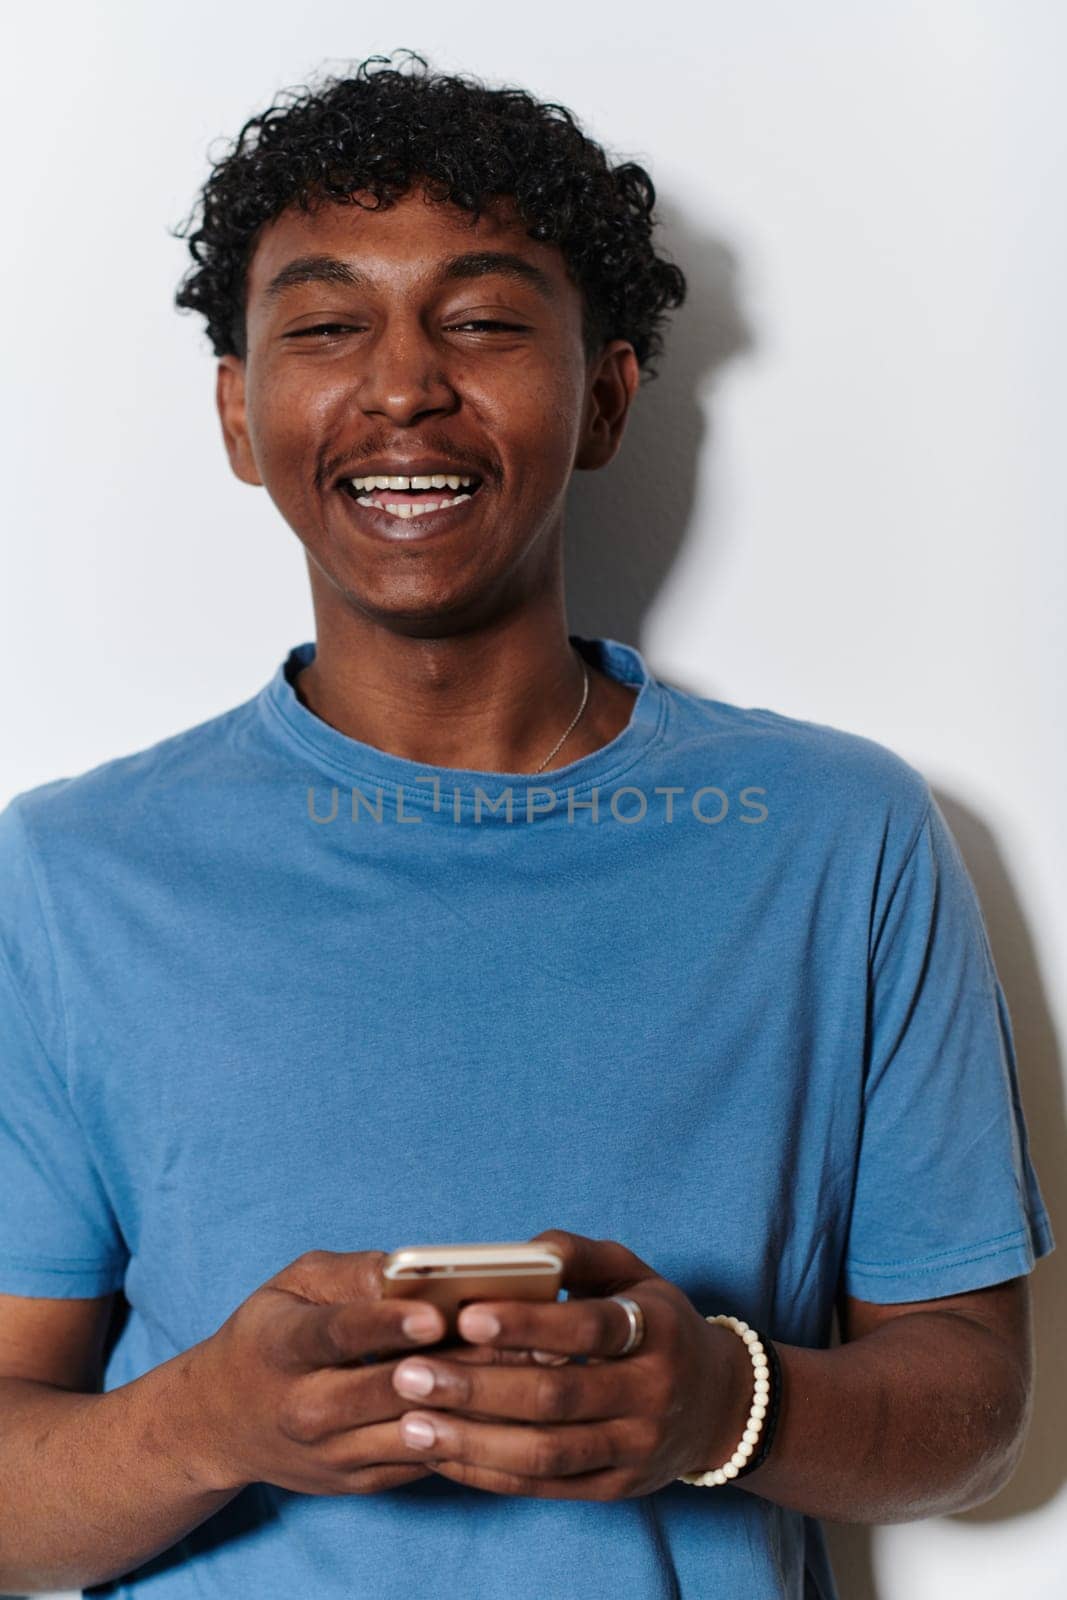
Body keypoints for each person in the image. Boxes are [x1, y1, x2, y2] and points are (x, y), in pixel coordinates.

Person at [0, 49, 1053, 1600]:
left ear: (610, 393)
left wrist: (719, 1406)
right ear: (240, 412)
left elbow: (975, 1413)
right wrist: (209, 1422)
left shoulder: (843, 841)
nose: (405, 381)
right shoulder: (69, 874)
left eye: (485, 319)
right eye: (325, 326)